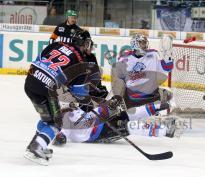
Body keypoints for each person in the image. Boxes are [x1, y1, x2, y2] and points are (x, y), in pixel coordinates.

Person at [23, 29, 101, 165]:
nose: (89, 47)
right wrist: (86, 103)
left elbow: (38, 59)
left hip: (30, 82)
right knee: (56, 122)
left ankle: (38, 142)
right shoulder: (81, 62)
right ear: (84, 43)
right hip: (46, 89)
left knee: (47, 118)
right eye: (88, 43)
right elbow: (79, 93)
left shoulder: (56, 44)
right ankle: (37, 147)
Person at [53, 95, 180, 146]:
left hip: (102, 125)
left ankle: (164, 105)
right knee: (129, 125)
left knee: (131, 112)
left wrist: (109, 106)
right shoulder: (66, 123)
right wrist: (59, 138)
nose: (72, 103)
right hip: (98, 135)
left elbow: (97, 113)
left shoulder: (78, 111)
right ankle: (166, 131)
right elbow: (61, 136)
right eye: (68, 103)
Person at [112, 33, 174, 109]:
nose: (144, 45)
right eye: (142, 43)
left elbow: (167, 68)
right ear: (135, 44)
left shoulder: (153, 54)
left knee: (168, 94)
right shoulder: (125, 58)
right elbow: (119, 79)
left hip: (151, 95)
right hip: (132, 97)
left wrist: (168, 56)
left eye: (145, 43)